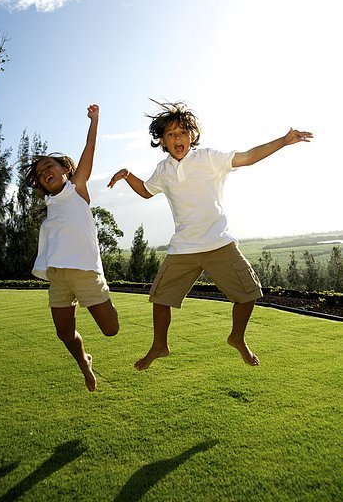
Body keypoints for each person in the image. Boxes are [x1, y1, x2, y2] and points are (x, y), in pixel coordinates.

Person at [108, 101, 313, 370]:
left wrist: (284, 141)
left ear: (192, 136)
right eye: (170, 134)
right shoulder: (163, 170)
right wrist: (127, 175)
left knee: (248, 293)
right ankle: (160, 345)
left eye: (182, 132)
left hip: (218, 242)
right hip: (183, 248)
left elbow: (248, 156)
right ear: (163, 142)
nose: (177, 138)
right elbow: (147, 191)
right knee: (160, 298)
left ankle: (237, 337)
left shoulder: (208, 158)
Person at [25, 104, 119, 392]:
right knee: (63, 333)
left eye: (48, 167)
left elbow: (89, 149)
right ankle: (84, 364)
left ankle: (105, 292)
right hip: (58, 276)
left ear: (65, 170)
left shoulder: (76, 189)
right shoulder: (50, 205)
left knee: (111, 330)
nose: (44, 173)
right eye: (40, 174)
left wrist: (94, 120)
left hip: (85, 273)